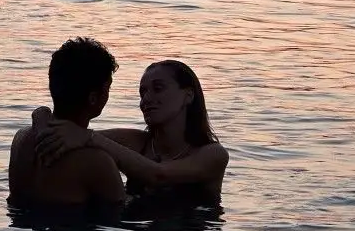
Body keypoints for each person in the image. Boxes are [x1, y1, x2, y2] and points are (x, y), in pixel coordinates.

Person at [33, 59, 229, 210]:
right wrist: (41, 114)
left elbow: (158, 175)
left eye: (158, 89)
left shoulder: (213, 154)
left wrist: (89, 137)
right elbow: (70, 135)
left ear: (188, 95)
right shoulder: (138, 142)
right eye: (142, 93)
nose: (146, 100)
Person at [8, 37, 125, 215]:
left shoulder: (21, 138)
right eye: (108, 87)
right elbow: (121, 212)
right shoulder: (96, 161)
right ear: (93, 98)